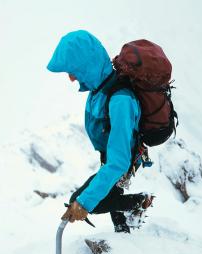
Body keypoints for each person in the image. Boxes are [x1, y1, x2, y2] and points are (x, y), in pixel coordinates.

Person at [47, 30, 153, 233]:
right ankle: (125, 236)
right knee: (112, 202)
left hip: (122, 161)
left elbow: (119, 161)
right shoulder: (101, 88)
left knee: (85, 200)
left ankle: (140, 202)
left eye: (73, 70)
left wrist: (84, 204)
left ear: (87, 65)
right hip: (112, 159)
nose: (70, 78)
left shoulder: (119, 99)